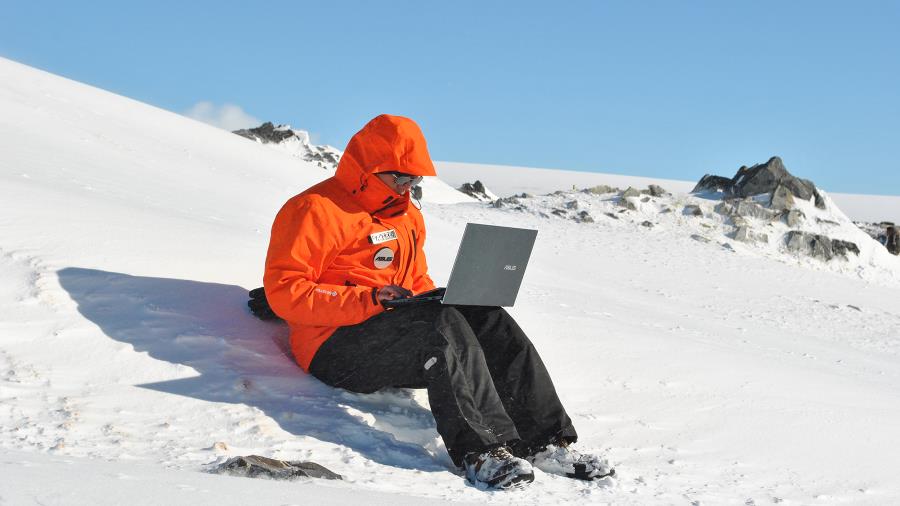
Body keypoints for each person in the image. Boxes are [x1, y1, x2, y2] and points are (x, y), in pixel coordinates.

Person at [262, 114, 613, 489]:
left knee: (487, 316)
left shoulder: (407, 217)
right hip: (332, 347)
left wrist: (439, 297)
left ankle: (545, 442)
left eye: (415, 178)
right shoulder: (315, 209)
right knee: (437, 329)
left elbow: (415, 280)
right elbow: (284, 291)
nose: (409, 186)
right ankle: (482, 453)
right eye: (401, 177)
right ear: (368, 168)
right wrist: (370, 299)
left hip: (391, 330)